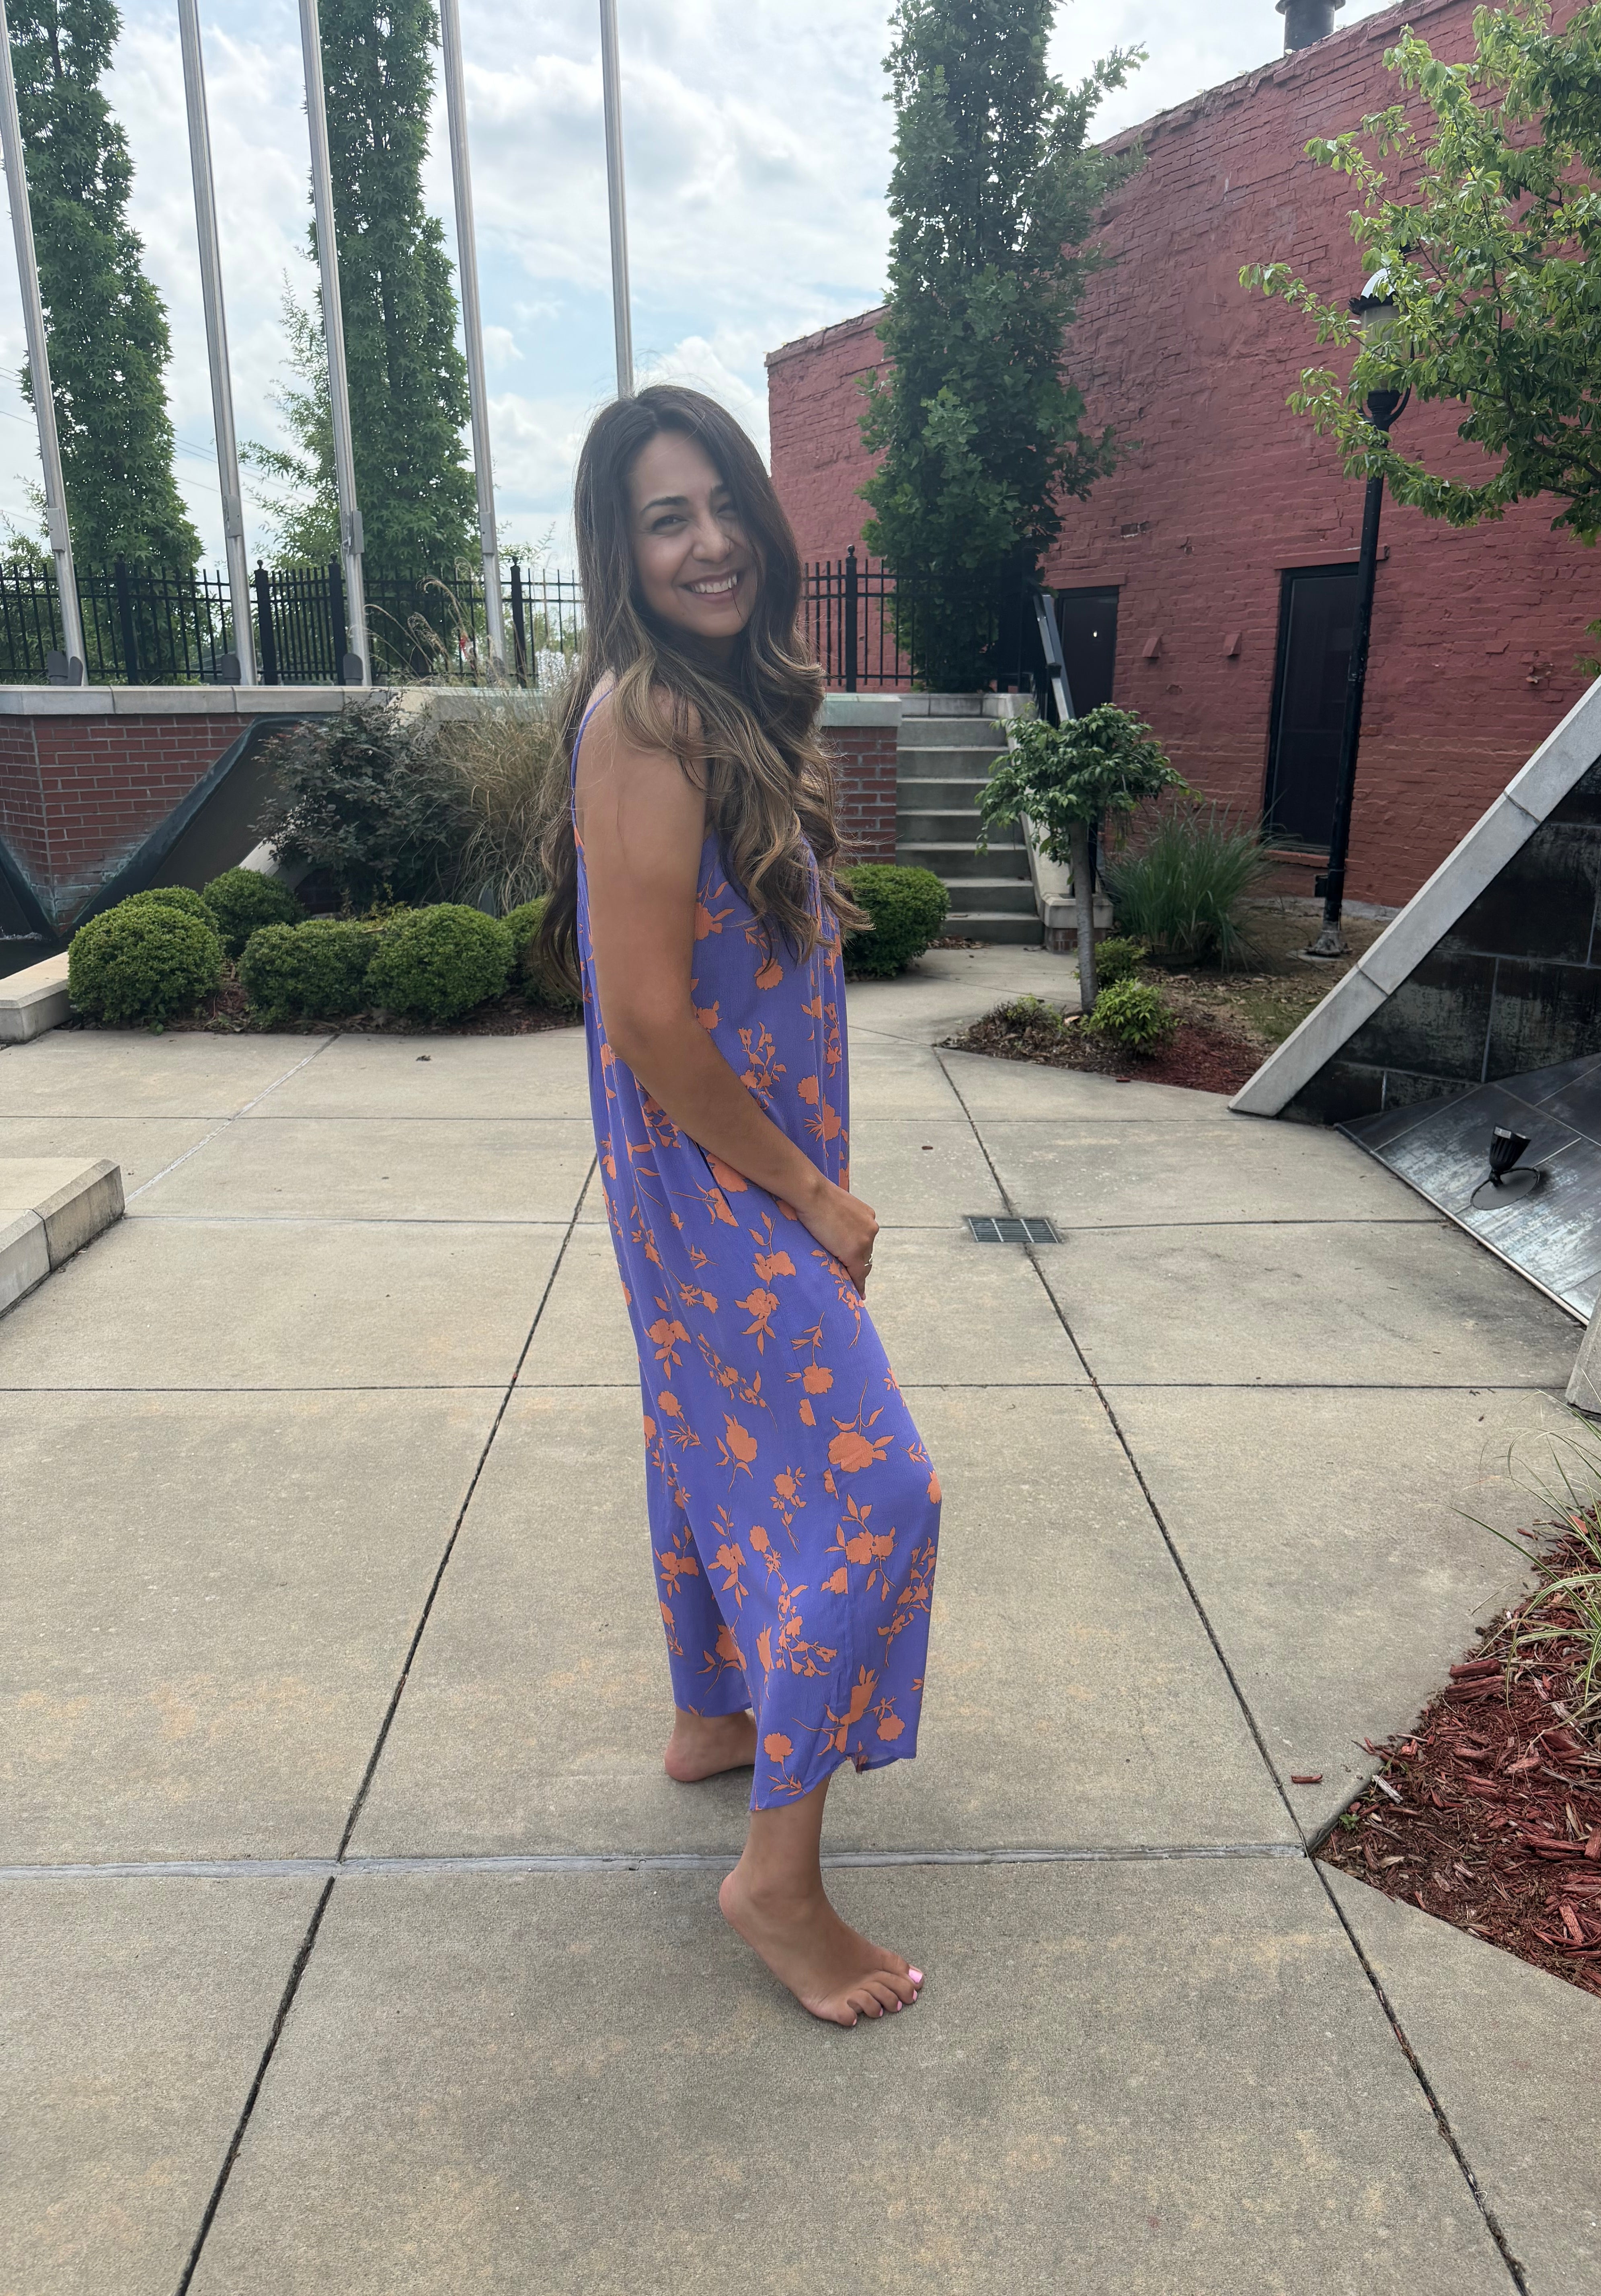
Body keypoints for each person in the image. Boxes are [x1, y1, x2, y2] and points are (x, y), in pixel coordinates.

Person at [540, 385, 941, 2027]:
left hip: (717, 1162)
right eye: (664, 517)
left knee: (701, 1427)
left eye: (721, 506)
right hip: (720, 1171)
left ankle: (715, 1716)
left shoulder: (726, 702)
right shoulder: (652, 720)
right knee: (879, 1491)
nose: (706, 542)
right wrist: (814, 1197)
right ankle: (776, 1884)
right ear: (621, 553)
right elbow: (649, 1019)